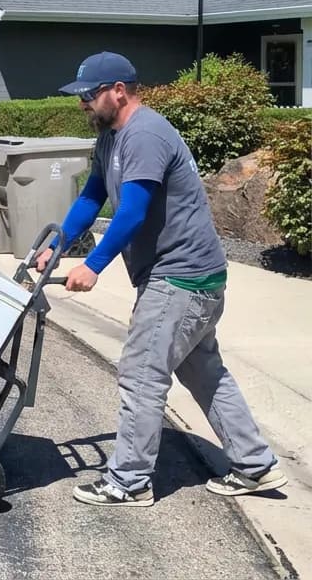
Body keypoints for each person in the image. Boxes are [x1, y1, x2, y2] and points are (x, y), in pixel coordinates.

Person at [38, 51, 286, 508]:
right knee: (206, 373)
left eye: (89, 96)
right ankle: (254, 465)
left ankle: (129, 481)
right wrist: (58, 244)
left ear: (118, 90)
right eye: (80, 98)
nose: (83, 105)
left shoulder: (146, 133)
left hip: (182, 279)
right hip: (189, 276)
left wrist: (93, 264)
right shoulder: (111, 137)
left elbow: (132, 210)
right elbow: (93, 195)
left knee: (141, 373)